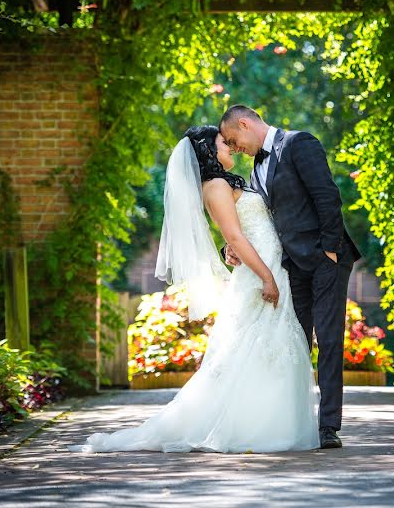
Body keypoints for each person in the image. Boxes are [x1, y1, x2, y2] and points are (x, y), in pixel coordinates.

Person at [69, 126, 319, 453]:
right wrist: (266, 277)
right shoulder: (214, 185)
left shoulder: (228, 182)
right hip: (260, 275)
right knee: (254, 350)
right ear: (208, 150)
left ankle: (270, 423)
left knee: (269, 350)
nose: (230, 145)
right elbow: (235, 238)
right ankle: (252, 427)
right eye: (223, 142)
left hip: (269, 267)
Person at [219, 105, 360, 450]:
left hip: (326, 259)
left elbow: (327, 196)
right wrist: (233, 246)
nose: (236, 149)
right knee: (295, 342)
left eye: (235, 141)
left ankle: (328, 426)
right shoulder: (256, 167)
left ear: (244, 123)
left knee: (328, 340)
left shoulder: (300, 143)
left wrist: (329, 249)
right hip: (291, 266)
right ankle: (297, 423)